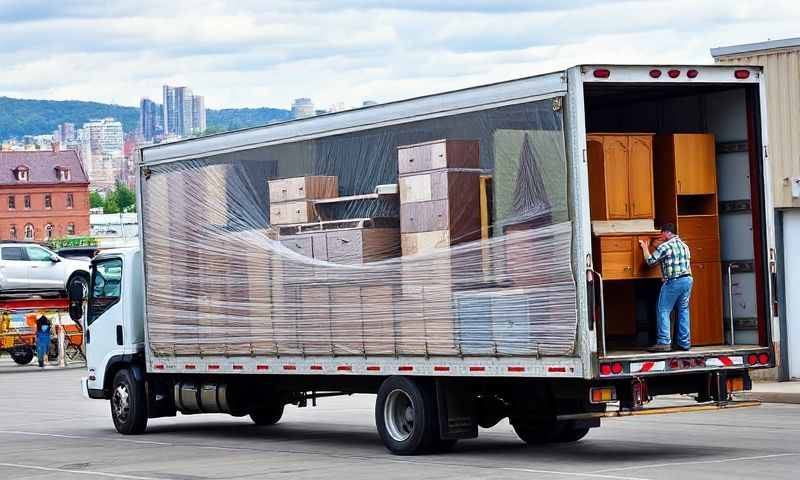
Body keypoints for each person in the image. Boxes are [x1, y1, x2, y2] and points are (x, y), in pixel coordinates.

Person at [638, 223, 693, 353]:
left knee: (663, 309)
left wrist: (645, 248)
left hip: (674, 281)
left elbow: (650, 261)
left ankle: (664, 342)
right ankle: (684, 343)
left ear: (667, 232)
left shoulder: (666, 246)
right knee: (683, 310)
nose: (661, 237)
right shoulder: (685, 246)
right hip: (687, 280)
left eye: (662, 234)